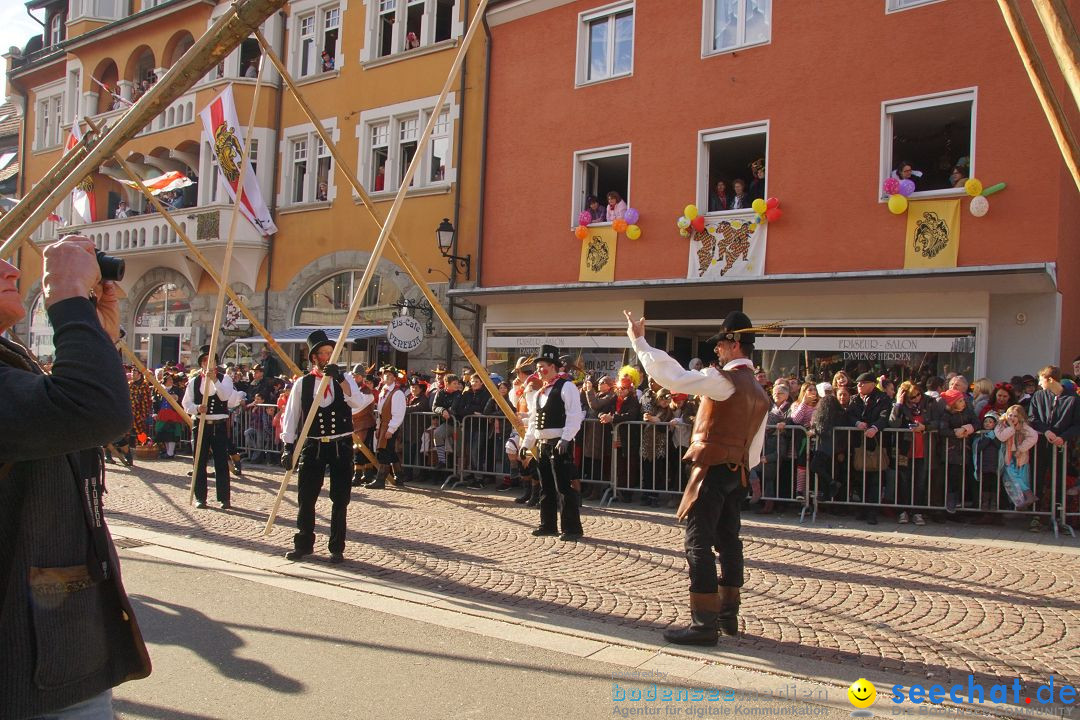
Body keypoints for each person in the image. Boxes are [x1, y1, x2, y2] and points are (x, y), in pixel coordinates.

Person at [0, 237, 151, 719]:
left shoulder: (11, 359)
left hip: (55, 650)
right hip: (27, 666)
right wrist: (65, 294)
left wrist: (96, 339)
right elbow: (92, 411)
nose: (11, 270)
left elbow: (69, 424)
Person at [625, 309, 770, 646]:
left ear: (734, 345)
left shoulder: (725, 381)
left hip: (713, 468)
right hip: (738, 471)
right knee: (729, 541)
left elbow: (673, 378)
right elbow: (754, 445)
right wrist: (745, 473)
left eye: (720, 344)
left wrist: (640, 341)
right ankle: (727, 615)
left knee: (698, 543)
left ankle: (705, 623)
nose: (716, 350)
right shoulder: (759, 390)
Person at [279, 331, 372, 563]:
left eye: (330, 353)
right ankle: (303, 544)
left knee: (340, 499)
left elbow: (358, 403)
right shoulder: (303, 383)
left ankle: (336, 547)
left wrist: (340, 379)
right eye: (322, 353)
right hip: (313, 446)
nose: (326, 356)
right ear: (314, 357)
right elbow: (291, 416)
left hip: (341, 445)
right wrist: (288, 446)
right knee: (306, 497)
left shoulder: (346, 379)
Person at [520, 344, 585, 541]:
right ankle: (547, 525)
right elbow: (533, 421)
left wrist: (566, 438)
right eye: (538, 367)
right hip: (543, 445)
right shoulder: (540, 393)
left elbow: (575, 415)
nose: (540, 370)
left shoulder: (567, 386)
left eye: (543, 366)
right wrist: (526, 443)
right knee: (546, 486)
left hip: (559, 444)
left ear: (554, 367)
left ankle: (572, 528)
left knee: (563, 487)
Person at [183, 345, 246, 509]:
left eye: (210, 360)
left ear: (215, 363)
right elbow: (186, 403)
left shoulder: (224, 379)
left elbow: (225, 396)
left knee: (221, 462)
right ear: (201, 363)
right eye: (205, 361)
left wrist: (215, 380)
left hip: (218, 426)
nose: (207, 364)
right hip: (201, 424)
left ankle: (224, 498)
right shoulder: (194, 381)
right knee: (199, 462)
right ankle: (200, 497)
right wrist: (197, 408)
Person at [364, 365, 406, 489]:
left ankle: (380, 480)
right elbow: (380, 412)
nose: (387, 377)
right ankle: (399, 477)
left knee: (384, 452)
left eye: (390, 375)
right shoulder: (383, 390)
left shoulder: (397, 393)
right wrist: (378, 427)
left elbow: (398, 414)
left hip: (390, 426)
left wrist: (391, 429)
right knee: (390, 452)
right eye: (385, 375)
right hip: (383, 425)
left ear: (394, 378)